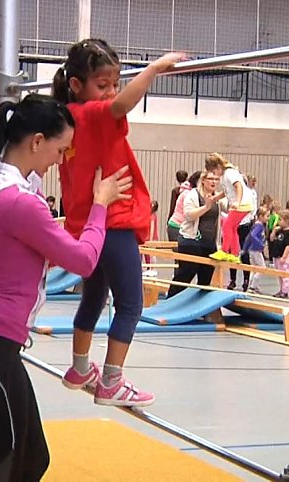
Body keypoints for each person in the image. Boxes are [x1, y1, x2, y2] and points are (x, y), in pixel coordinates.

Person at [0, 94, 130, 482]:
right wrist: (100, 206)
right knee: (5, 465)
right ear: (36, 141)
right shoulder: (18, 202)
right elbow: (83, 260)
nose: (61, 160)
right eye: (60, 149)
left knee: (33, 460)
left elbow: (24, 253)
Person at [51, 38, 184, 407]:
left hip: (88, 225)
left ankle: (80, 367)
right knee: (130, 304)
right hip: (114, 220)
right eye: (103, 84)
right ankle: (112, 379)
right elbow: (123, 104)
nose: (111, 92)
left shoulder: (66, 117)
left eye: (115, 83)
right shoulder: (93, 113)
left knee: (94, 296)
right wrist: (155, 68)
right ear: (77, 85)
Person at [169, 171, 221, 297]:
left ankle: (200, 310)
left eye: (216, 179)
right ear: (203, 180)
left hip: (209, 243)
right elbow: (188, 215)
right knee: (186, 274)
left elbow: (230, 203)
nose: (214, 182)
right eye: (210, 179)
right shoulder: (193, 195)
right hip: (190, 240)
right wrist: (206, 207)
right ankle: (169, 302)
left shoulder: (217, 197)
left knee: (205, 278)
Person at [205, 153, 254, 263]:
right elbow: (226, 192)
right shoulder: (224, 176)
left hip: (242, 204)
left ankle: (224, 251)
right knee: (232, 228)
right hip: (241, 204)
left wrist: (237, 201)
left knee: (227, 226)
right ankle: (235, 254)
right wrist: (215, 198)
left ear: (218, 167)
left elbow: (239, 186)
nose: (214, 175)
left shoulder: (229, 173)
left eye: (214, 172)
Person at [228, 174, 258, 291]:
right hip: (233, 225)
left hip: (244, 224)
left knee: (244, 253)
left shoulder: (250, 194)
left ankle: (246, 279)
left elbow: (252, 210)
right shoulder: (232, 194)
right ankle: (233, 280)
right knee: (232, 252)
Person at [269, 210, 289, 298]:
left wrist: (284, 257)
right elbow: (271, 239)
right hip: (277, 255)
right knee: (279, 274)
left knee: (285, 274)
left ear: (287, 221)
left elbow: (288, 246)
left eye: (280, 220)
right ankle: (281, 289)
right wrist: (273, 231)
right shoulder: (280, 230)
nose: (278, 222)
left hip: (283, 256)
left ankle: (285, 291)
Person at [242, 210, 268, 294]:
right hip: (256, 250)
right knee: (262, 268)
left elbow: (249, 237)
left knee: (253, 269)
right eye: (266, 216)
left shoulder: (255, 225)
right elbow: (252, 235)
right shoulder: (259, 226)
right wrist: (260, 244)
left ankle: (252, 286)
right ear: (260, 216)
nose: (268, 218)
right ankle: (253, 286)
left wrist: (245, 249)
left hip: (251, 250)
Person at [165, 172, 196, 242]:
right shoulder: (189, 192)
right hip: (181, 222)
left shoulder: (176, 190)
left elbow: (173, 207)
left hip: (177, 220)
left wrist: (168, 220)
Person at [142, 200, 159, 277]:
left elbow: (152, 228)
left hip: (150, 238)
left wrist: (151, 239)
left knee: (150, 254)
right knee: (147, 254)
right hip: (148, 238)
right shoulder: (152, 215)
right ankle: (150, 268)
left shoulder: (152, 216)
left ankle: (151, 268)